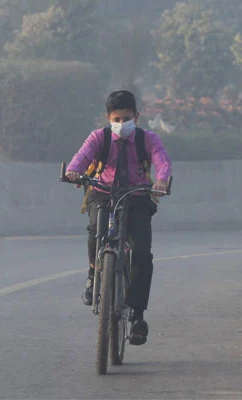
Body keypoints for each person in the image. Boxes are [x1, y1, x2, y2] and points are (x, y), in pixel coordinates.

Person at [65, 90, 172, 346]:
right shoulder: (98, 137)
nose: (122, 124)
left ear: (137, 115)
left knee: (143, 254)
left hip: (137, 196)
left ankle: (137, 316)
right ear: (108, 118)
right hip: (103, 193)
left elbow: (162, 161)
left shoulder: (148, 139)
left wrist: (161, 181)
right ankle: (94, 274)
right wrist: (73, 172)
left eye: (127, 118)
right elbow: (81, 158)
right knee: (95, 231)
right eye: (117, 119)